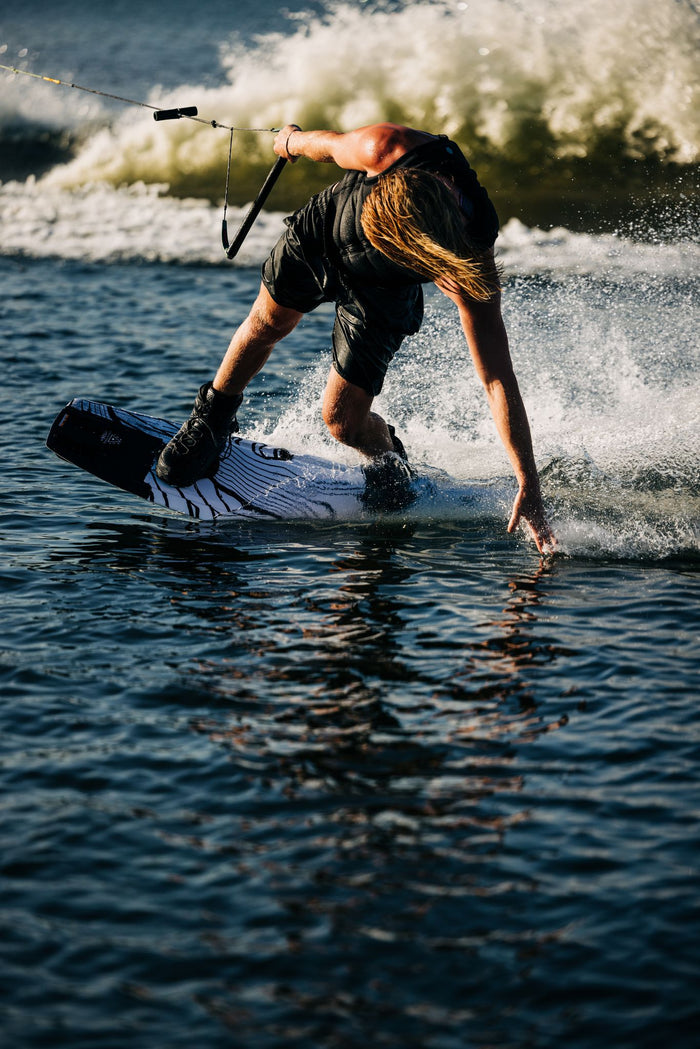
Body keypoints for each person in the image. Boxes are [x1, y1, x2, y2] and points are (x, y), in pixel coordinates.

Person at [156, 122, 555, 553]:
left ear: (425, 253)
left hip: (381, 292)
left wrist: (527, 482)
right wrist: (290, 141)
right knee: (268, 323)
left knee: (342, 421)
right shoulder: (384, 146)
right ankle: (212, 419)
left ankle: (388, 461)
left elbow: (497, 379)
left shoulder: (468, 263)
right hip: (324, 231)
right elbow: (324, 144)